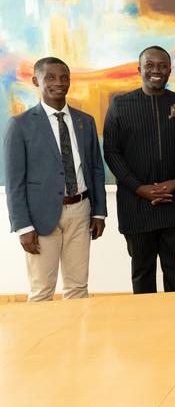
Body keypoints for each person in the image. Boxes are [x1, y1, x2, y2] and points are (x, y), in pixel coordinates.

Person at [4, 57, 106, 302]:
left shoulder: (85, 121)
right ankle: (42, 341)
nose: (58, 83)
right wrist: (23, 227)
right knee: (42, 291)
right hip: (40, 219)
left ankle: (76, 340)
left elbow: (95, 169)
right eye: (50, 77)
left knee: (78, 288)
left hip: (80, 211)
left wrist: (99, 212)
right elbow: (14, 182)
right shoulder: (20, 125)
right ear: (36, 81)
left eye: (64, 77)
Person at [103, 45, 175, 294]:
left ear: (170, 70)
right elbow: (112, 153)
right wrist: (139, 188)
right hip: (135, 204)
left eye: (162, 65)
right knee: (142, 270)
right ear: (139, 70)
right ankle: (145, 328)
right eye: (150, 65)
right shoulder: (120, 105)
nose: (156, 70)